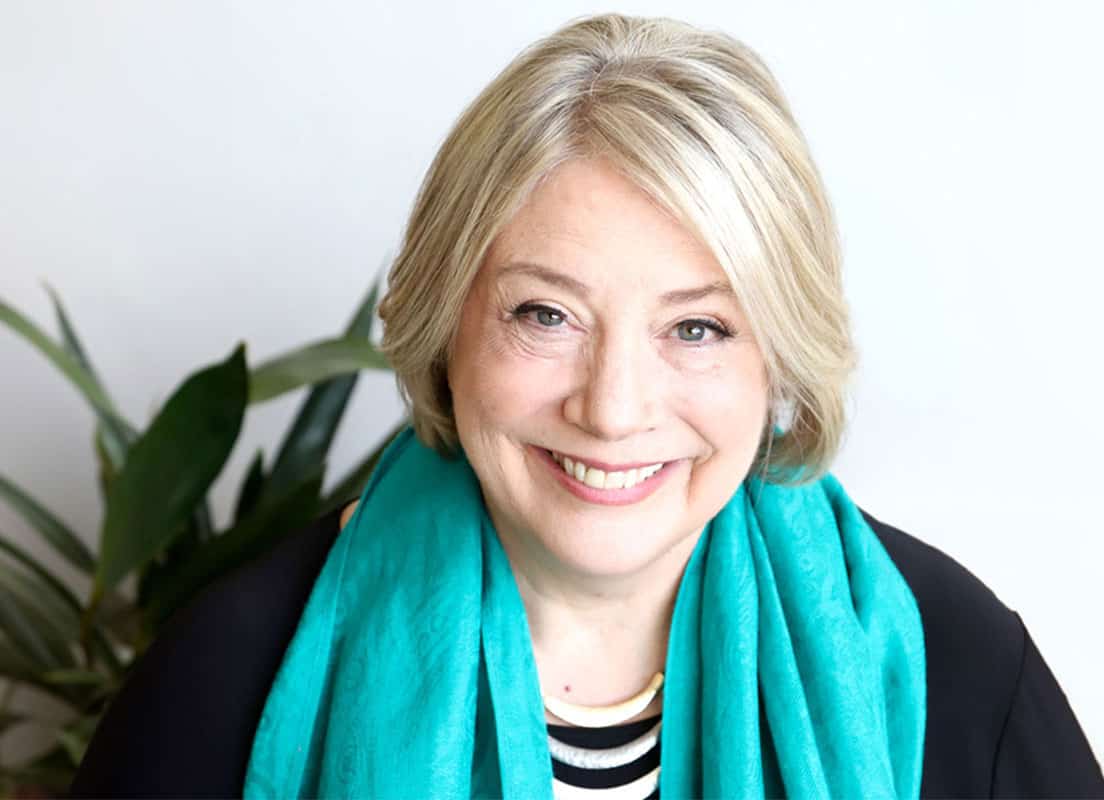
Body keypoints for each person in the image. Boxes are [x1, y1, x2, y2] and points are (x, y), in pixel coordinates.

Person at [71, 12, 1102, 799]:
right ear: (448, 322)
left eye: (697, 327)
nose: (613, 409)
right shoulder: (227, 679)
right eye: (546, 314)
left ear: (779, 356)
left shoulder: (954, 663)